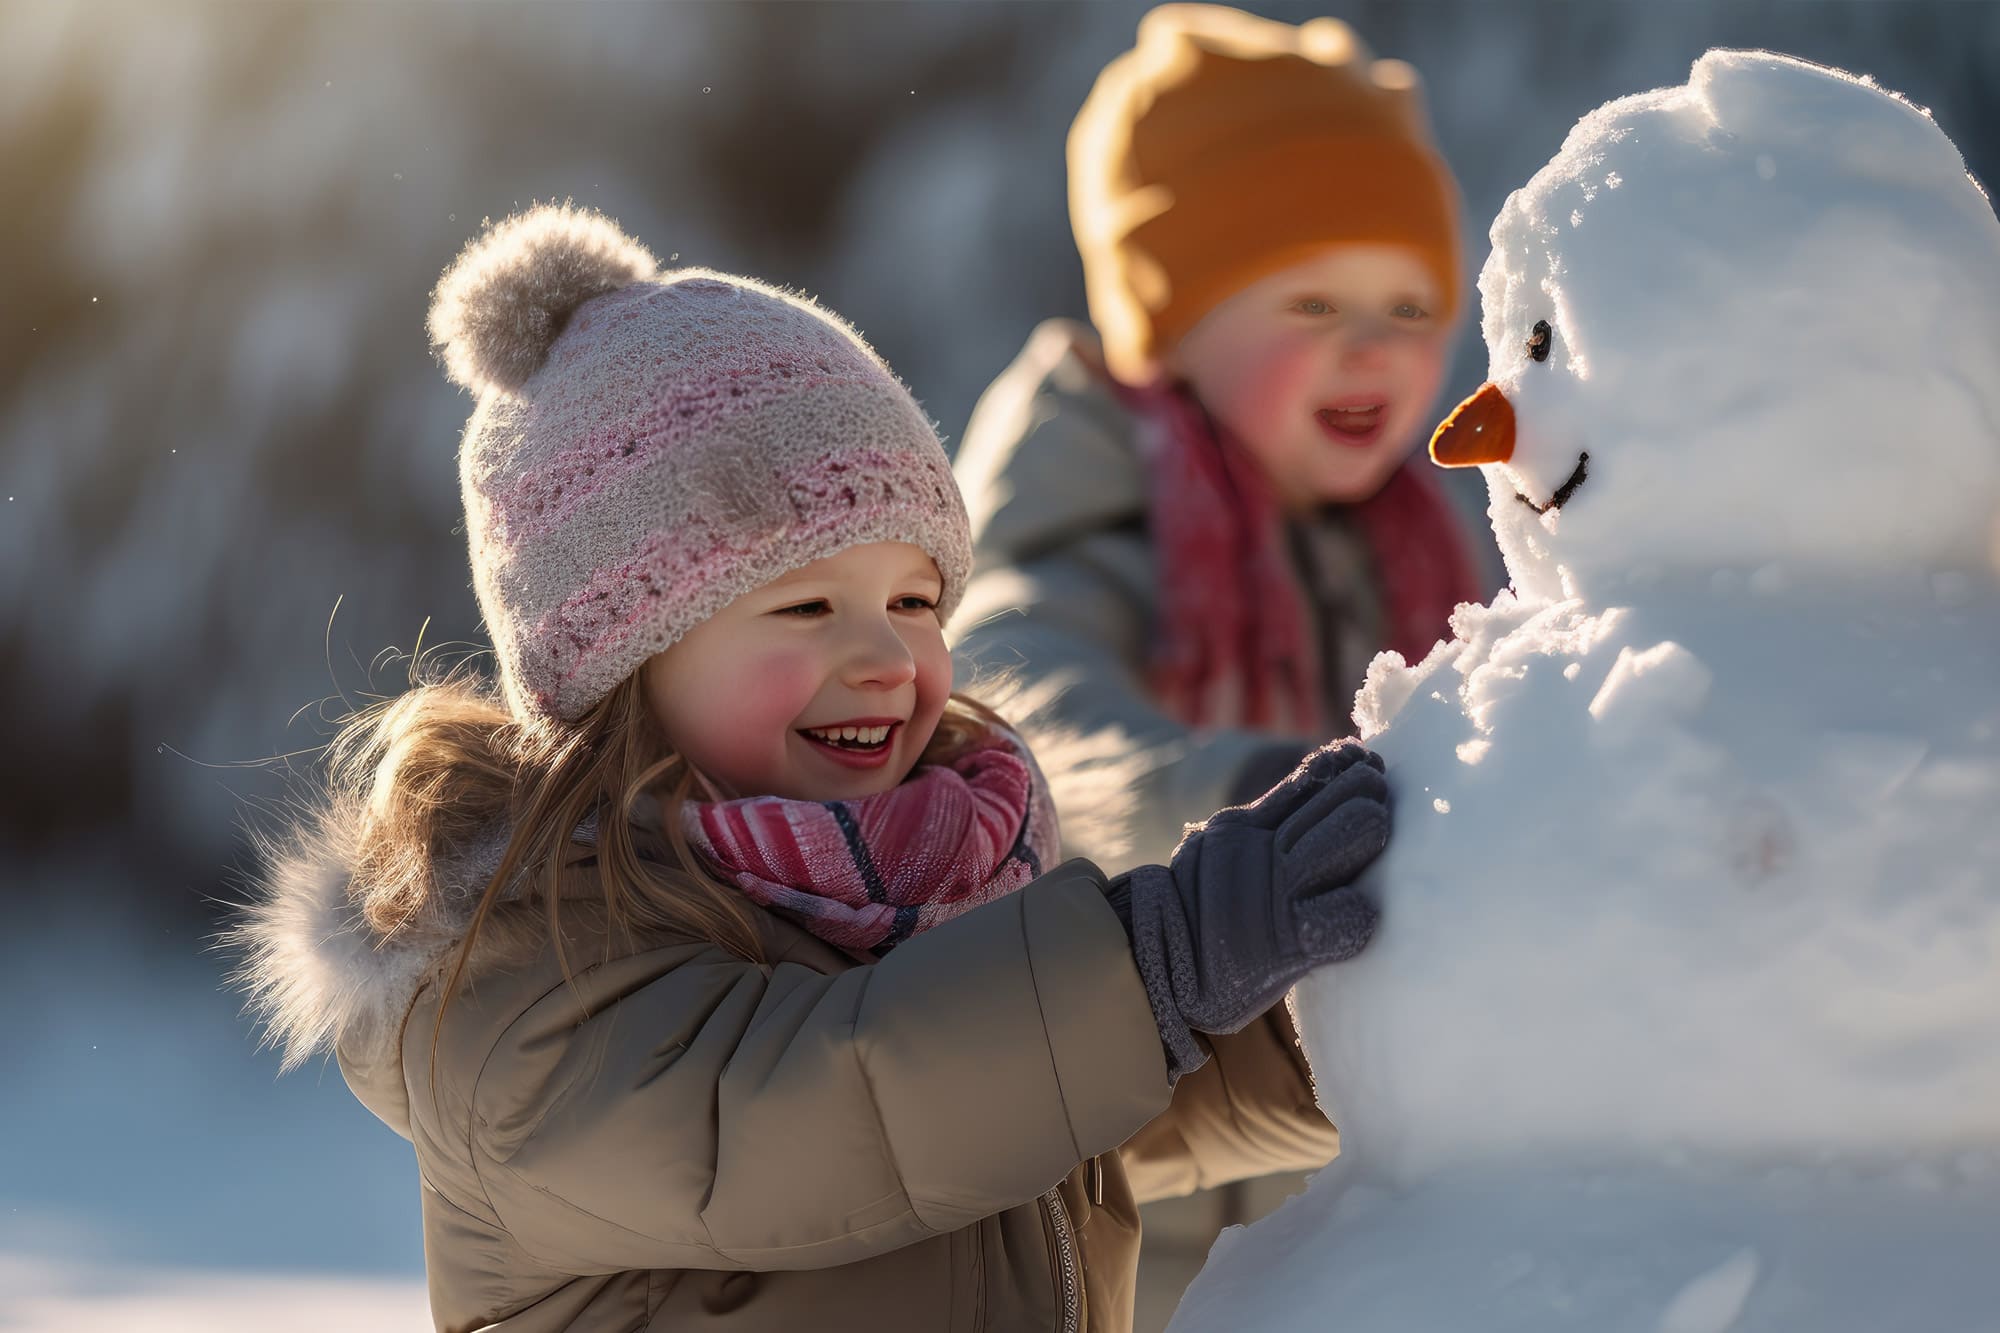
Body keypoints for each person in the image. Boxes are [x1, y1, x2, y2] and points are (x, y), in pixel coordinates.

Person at [233, 203, 1392, 1333]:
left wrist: (1330, 1009)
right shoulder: (515, 987)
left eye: (914, 599)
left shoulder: (950, 892)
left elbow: (1072, 1088)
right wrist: (1149, 969)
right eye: (805, 605)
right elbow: (830, 1102)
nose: (887, 656)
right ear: (620, 662)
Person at [952, 4, 1488, 873]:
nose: (1375, 346)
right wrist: (1249, 792)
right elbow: (1021, 708)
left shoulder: (1429, 533)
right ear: (1171, 332)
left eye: (1410, 307)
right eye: (1314, 305)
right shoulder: (1092, 508)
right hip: (1162, 979)